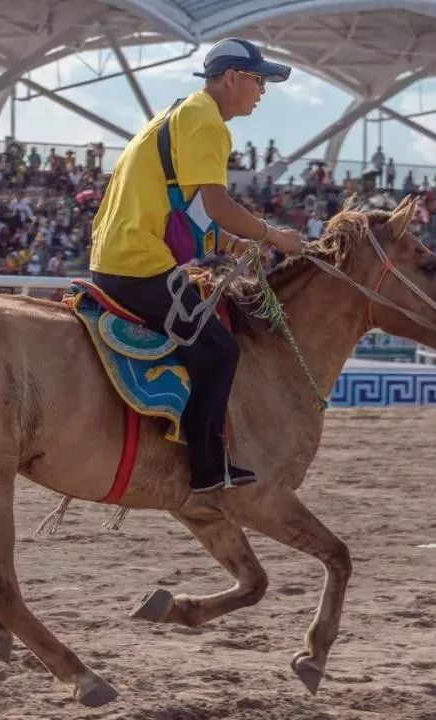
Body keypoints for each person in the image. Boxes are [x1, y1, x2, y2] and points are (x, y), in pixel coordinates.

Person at [89, 37, 304, 494]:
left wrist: (228, 239)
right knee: (220, 349)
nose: (262, 90)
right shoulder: (206, 121)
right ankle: (206, 468)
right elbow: (219, 204)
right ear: (231, 78)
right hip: (137, 262)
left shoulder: (182, 112)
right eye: (258, 80)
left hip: (123, 253)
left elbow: (191, 209)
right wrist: (274, 236)